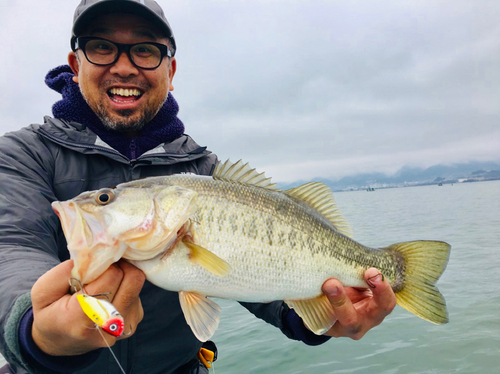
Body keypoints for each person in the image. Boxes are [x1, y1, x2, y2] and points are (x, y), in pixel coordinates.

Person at [0, 1, 397, 373]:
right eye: (102, 47)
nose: (123, 67)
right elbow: (10, 246)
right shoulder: (20, 154)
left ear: (170, 73)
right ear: (75, 63)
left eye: (145, 51)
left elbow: (256, 273)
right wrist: (37, 327)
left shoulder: (206, 172)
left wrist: (320, 316)